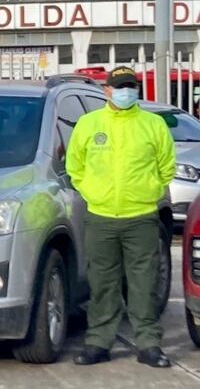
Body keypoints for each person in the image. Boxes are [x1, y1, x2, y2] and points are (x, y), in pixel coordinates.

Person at [67, 66, 175, 369]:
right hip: (100, 217)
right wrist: (93, 192)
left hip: (141, 216)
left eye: (131, 87)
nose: (126, 92)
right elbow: (75, 166)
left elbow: (167, 165)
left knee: (144, 283)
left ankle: (149, 344)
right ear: (107, 91)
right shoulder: (89, 124)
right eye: (119, 87)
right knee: (103, 283)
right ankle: (99, 343)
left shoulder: (152, 124)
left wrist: (151, 190)